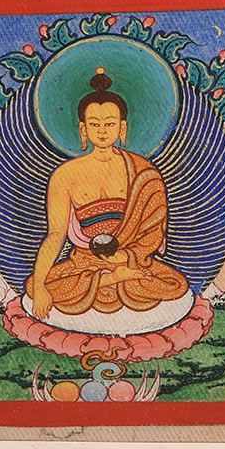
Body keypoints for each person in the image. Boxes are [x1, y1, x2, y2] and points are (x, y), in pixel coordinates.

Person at [25, 68, 188, 320]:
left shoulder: (143, 172)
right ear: (83, 129)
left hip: (129, 260)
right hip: (84, 261)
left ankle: (111, 277)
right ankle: (109, 279)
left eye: (110, 123)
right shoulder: (65, 175)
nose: (102, 130)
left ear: (122, 127)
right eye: (94, 124)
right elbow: (56, 234)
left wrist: (124, 257)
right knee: (34, 285)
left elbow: (152, 233)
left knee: (176, 284)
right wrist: (39, 286)